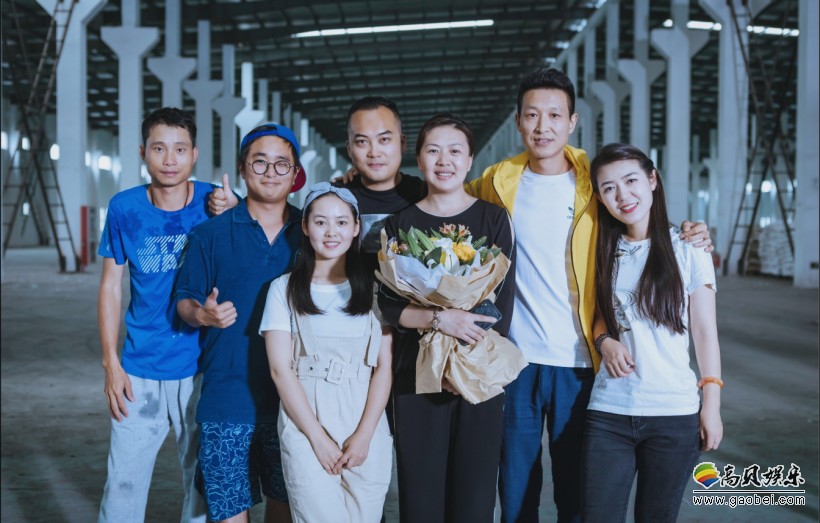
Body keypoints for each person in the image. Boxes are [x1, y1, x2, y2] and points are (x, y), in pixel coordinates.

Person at [463, 67, 713, 522]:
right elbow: (446, 202)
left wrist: (690, 230)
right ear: (518, 122)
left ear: (572, 122)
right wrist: (363, 192)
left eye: (554, 115)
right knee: (515, 487)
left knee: (578, 493)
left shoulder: (593, 184)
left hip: (583, 364)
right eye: (532, 115)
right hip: (515, 360)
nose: (543, 126)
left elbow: (637, 212)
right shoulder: (497, 182)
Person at [378, 113, 515, 523]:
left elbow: (502, 302)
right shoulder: (400, 224)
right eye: (433, 150)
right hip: (417, 377)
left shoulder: (494, 219)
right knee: (420, 500)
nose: (444, 160)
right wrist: (439, 319)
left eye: (455, 151)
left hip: (478, 373)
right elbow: (387, 305)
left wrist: (461, 363)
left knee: (474, 500)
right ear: (419, 159)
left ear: (470, 160)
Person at [581, 143, 723, 522]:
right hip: (609, 410)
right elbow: (599, 313)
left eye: (631, 181)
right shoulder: (601, 249)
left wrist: (711, 405)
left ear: (652, 180)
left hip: (673, 413)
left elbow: (704, 330)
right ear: (600, 198)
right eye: (609, 188)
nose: (622, 195)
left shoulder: (690, 248)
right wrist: (604, 342)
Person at [175, 124, 306, 523]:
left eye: (282, 164)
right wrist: (202, 314)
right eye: (260, 162)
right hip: (227, 399)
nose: (271, 172)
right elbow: (184, 300)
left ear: (295, 174)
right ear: (243, 167)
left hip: (295, 402)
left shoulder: (312, 233)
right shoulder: (209, 235)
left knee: (287, 507)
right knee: (229, 512)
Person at [97, 107, 208, 523]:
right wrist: (111, 364)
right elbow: (110, 286)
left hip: (200, 366)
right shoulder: (124, 208)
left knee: (202, 486)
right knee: (122, 484)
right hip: (139, 369)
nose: (169, 159)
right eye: (159, 148)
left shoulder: (215, 202)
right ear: (143, 152)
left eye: (180, 149)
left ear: (194, 154)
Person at [261, 182, 394, 523]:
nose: (331, 232)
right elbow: (280, 370)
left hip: (365, 419)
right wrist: (318, 439)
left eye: (341, 222)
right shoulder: (283, 290)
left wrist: (364, 435)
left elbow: (384, 367)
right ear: (305, 227)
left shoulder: (377, 289)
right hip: (306, 421)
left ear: (356, 228)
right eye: (320, 222)